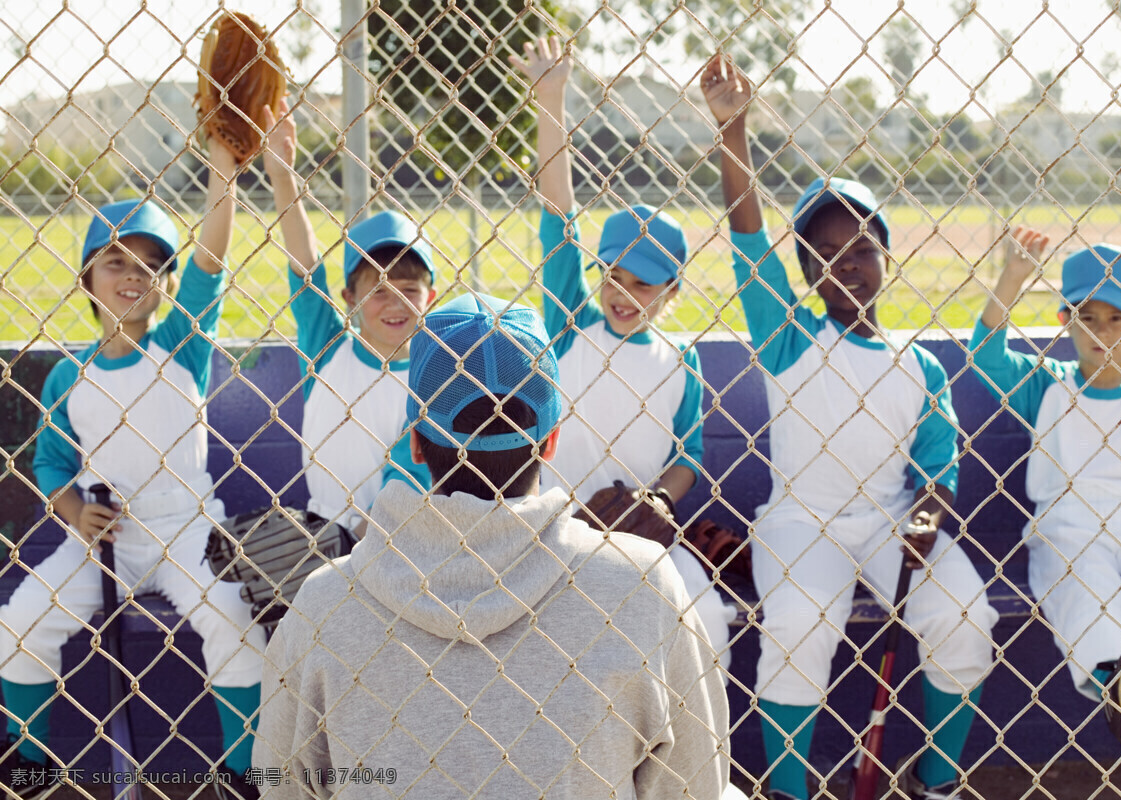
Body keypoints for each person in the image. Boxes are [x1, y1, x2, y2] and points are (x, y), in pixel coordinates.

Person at [252, 293, 729, 799]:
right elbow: (696, 784)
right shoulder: (642, 584)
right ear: (551, 442)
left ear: (414, 443)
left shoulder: (325, 603)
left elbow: (282, 785)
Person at [701, 55, 998, 800]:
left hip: (894, 522)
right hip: (803, 522)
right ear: (803, 271)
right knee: (800, 623)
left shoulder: (919, 366)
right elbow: (746, 239)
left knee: (966, 617)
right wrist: (734, 129)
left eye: (861, 248)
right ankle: (790, 789)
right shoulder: (789, 337)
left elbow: (939, 464)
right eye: (824, 254)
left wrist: (929, 511)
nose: (845, 266)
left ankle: (937, 783)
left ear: (885, 258)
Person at [0, 141, 265, 793]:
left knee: (233, 616)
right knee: (21, 616)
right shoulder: (70, 375)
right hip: (105, 541)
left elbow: (211, 262)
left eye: (151, 266)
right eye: (116, 260)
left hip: (188, 531)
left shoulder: (181, 345)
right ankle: (27, 757)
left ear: (167, 286)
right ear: (87, 276)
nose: (133, 276)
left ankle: (242, 772)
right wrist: (74, 514)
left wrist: (223, 176)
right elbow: (52, 464)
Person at [507, 36, 732, 674]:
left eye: (644, 282)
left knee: (708, 625)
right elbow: (558, 216)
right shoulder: (572, 326)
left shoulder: (678, 360)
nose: (623, 293)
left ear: (672, 291)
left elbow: (688, 456)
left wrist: (658, 501)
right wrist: (551, 101)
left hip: (642, 532)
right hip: (555, 531)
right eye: (614, 275)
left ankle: (687, 761)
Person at [971, 228, 1121, 753]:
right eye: (1087, 317)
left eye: (1117, 319)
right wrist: (1013, 277)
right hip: (1068, 532)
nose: (1102, 331)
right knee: (1087, 593)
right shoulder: (1046, 384)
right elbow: (985, 358)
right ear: (1065, 322)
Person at [263, 101, 433, 532]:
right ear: (349, 299)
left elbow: (411, 478)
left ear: (430, 297)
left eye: (409, 289)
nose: (395, 303)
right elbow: (305, 268)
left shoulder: (437, 378)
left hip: (401, 541)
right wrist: (283, 178)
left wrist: (363, 534)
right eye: (377, 290)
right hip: (323, 533)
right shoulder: (329, 349)